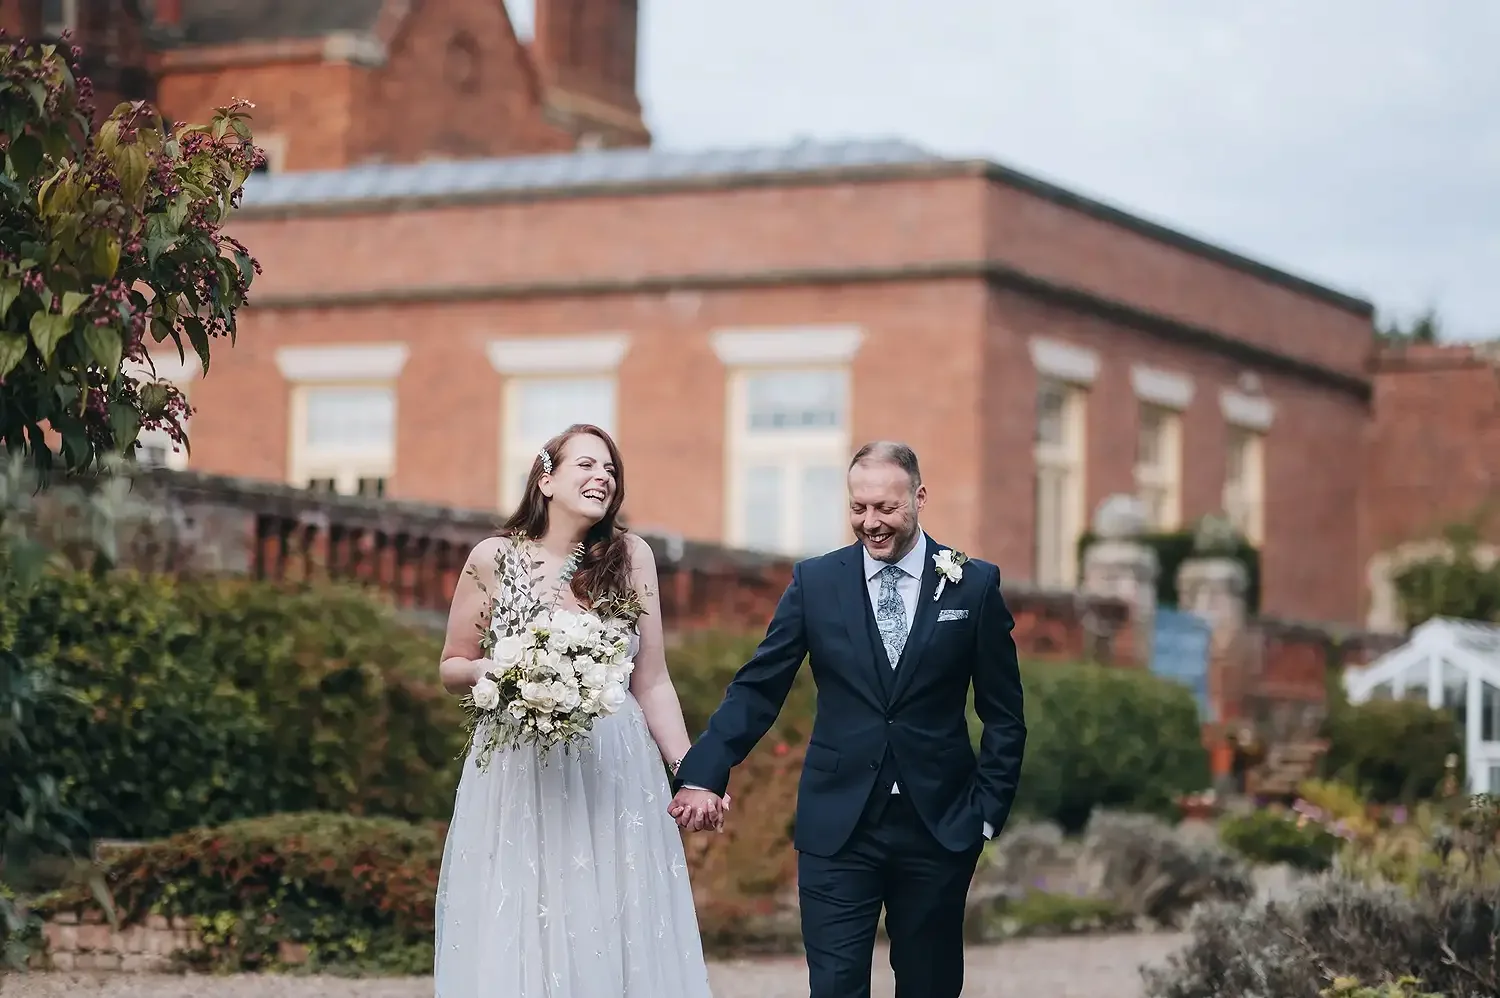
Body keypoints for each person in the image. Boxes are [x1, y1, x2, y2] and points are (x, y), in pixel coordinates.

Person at [669, 441, 1026, 998]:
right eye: (859, 508)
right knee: (834, 987)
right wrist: (704, 770)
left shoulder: (973, 585)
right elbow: (760, 686)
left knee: (930, 986)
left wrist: (984, 814)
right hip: (838, 824)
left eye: (886, 508)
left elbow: (1004, 714)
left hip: (939, 826)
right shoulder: (817, 582)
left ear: (920, 498)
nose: (871, 522)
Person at [434, 423, 715, 998]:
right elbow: (451, 665)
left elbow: (653, 681)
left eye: (610, 469)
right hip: (519, 764)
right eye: (586, 464)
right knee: (526, 907)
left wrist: (694, 772)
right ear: (547, 478)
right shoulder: (492, 558)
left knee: (616, 907)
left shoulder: (630, 555)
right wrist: (503, 672)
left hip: (614, 763)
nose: (602, 477)